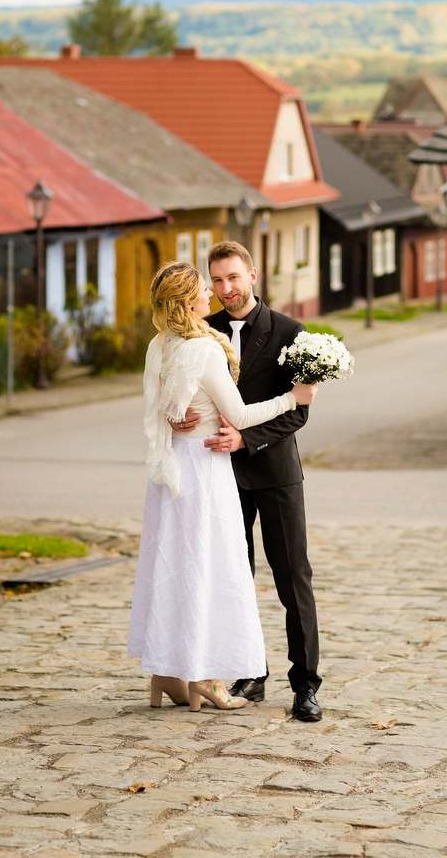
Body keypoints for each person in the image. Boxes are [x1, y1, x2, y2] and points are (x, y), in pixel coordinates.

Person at [127, 261, 316, 713]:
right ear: (191, 296)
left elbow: (156, 408)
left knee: (188, 568)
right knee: (216, 572)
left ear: (252, 275)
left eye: (231, 278)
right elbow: (234, 412)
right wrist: (297, 396)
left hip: (214, 473)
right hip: (209, 472)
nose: (218, 291)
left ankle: (175, 674)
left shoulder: (163, 344)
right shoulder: (201, 343)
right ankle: (217, 677)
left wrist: (180, 418)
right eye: (210, 283)